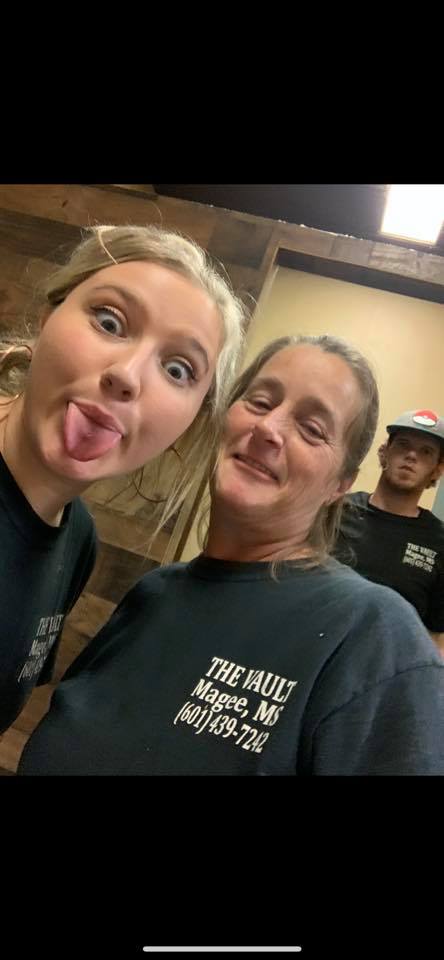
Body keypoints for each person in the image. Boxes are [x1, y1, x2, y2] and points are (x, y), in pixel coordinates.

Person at [18, 335, 444, 776]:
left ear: (341, 484)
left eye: (312, 429)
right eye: (260, 402)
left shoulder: (374, 637)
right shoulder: (153, 595)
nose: (268, 428)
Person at [0, 224, 245, 735]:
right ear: (46, 318)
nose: (128, 375)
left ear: (191, 420)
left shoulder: (77, 541)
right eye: (109, 321)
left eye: (177, 370)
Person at [336, 409, 444, 654]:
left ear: (437, 470)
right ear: (384, 452)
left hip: (384, 667)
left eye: (426, 452)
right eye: (403, 444)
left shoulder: (439, 543)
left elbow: (437, 637)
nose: (412, 455)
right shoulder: (335, 512)